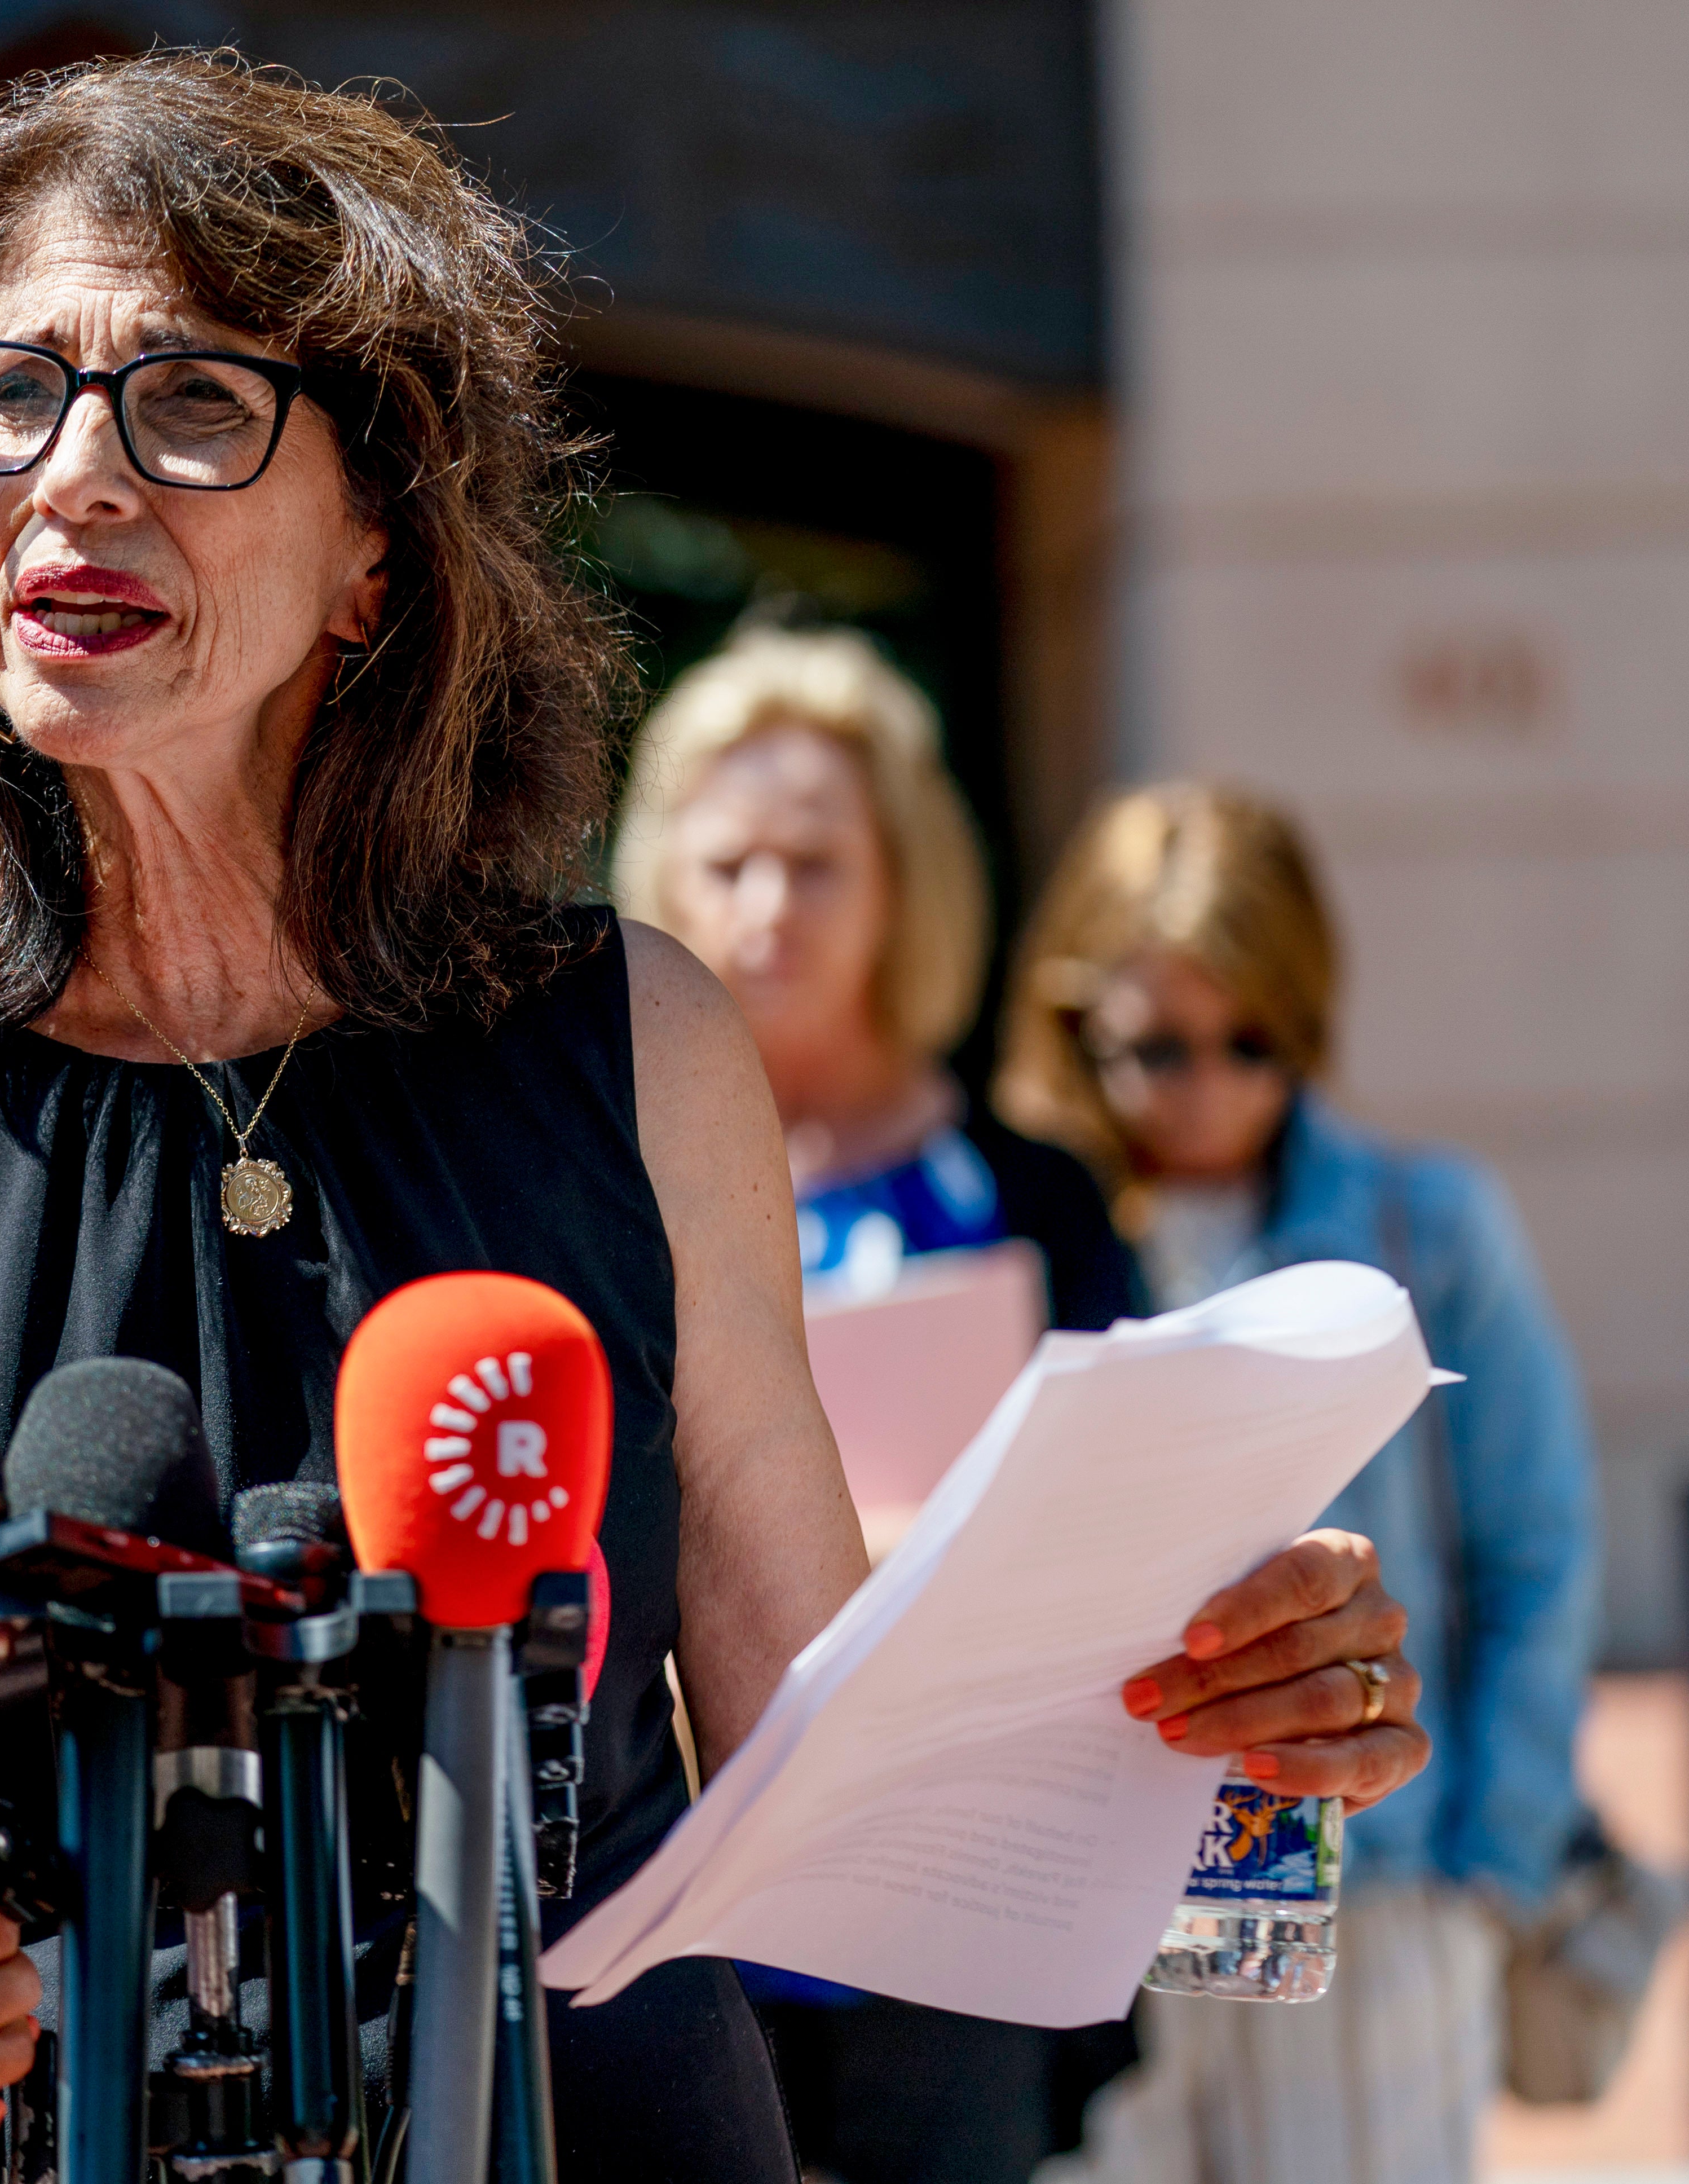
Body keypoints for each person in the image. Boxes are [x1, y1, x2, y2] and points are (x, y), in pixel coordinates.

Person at [0, 54, 1430, 2184]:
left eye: (189, 405)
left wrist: (1211, 1715)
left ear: (372, 554)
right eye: (3, 395)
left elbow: (824, 1764)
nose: (71, 478)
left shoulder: (635, 1041)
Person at [996, 783, 1600, 2184]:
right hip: (1092, 1896)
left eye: (1250, 1039)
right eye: (1156, 1043)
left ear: (1307, 1017)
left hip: (1363, 1888)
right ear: (1078, 1017)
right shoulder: (1024, 1223)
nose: (1204, 1080)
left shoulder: (1427, 1226)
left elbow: (1538, 1549)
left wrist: (1483, 1874)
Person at [611, 622, 1141, 2183]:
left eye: (818, 862)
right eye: (728, 862)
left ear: (904, 880)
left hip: (962, 1893)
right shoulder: (600, 1185)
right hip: (684, 1893)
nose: (767, 908)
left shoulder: (1035, 1194)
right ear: (660, 880)